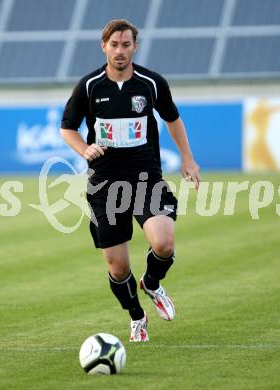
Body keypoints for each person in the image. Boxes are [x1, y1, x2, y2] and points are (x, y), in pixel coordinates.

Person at [60, 19, 201, 342]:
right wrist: (84, 148)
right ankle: (137, 316)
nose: (120, 51)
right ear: (104, 46)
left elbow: (172, 118)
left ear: (135, 47)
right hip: (104, 184)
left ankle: (151, 283)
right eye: (114, 45)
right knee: (118, 267)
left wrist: (188, 159)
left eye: (126, 45)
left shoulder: (151, 83)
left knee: (163, 243)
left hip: (145, 177)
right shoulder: (89, 85)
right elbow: (67, 127)